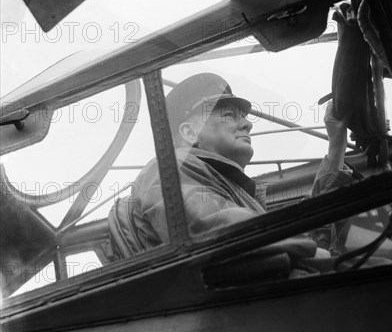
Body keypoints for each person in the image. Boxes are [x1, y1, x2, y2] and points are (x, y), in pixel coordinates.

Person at [108, 73, 353, 257]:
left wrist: (336, 144)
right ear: (189, 131)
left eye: (245, 117)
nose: (248, 125)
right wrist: (313, 252)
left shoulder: (230, 189)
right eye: (228, 116)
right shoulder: (165, 172)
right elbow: (215, 233)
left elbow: (305, 235)